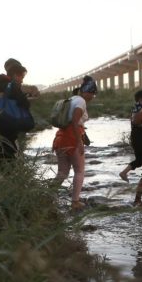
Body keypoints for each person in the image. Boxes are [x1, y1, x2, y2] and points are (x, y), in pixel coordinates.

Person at [53, 76, 97, 210]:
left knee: (62, 173)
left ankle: (47, 195)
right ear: (88, 92)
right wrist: (79, 142)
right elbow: (74, 120)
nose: (92, 97)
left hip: (60, 137)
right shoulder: (81, 101)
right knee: (79, 171)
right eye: (93, 94)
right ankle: (75, 202)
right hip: (72, 138)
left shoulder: (71, 99)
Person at [119, 89, 142, 186]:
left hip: (135, 134)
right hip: (139, 134)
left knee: (140, 160)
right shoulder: (141, 106)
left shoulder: (136, 107)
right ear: (141, 99)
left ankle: (123, 173)